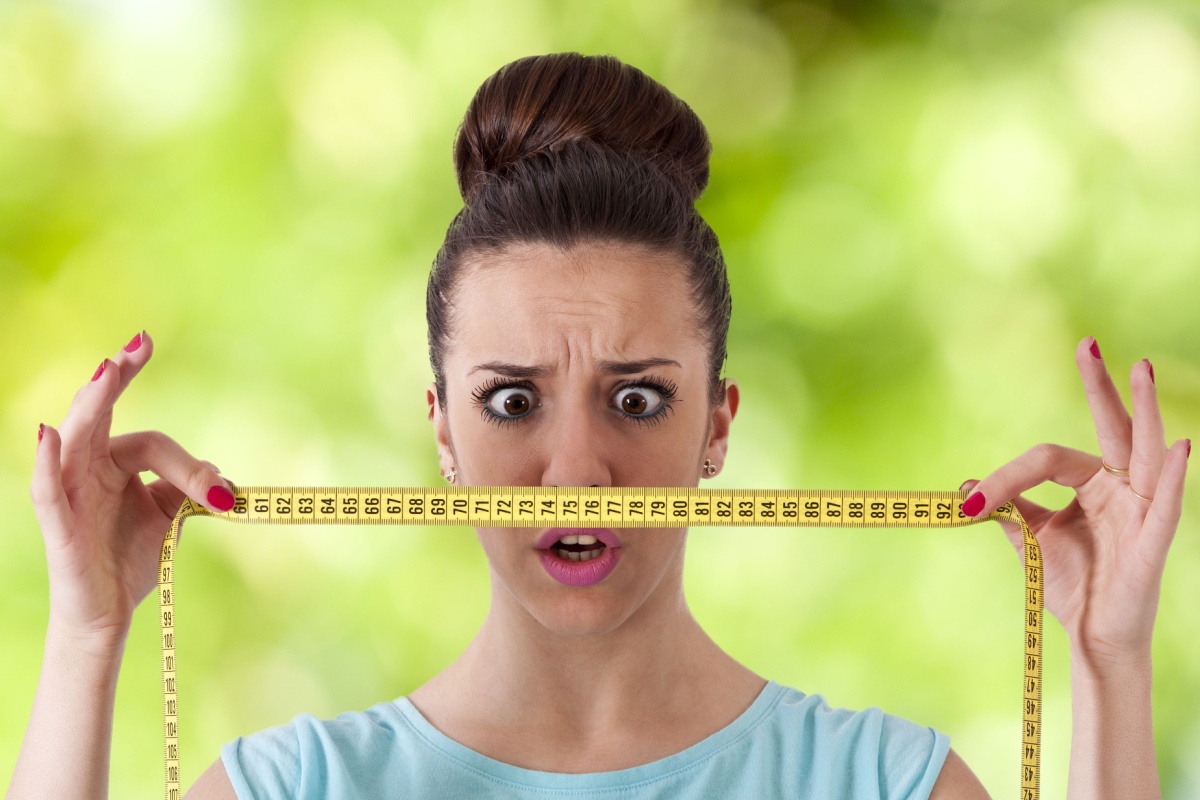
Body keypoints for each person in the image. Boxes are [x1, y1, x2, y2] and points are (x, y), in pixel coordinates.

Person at [9, 53, 1188, 800]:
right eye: (511, 401)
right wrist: (86, 632)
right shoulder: (296, 786)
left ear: (717, 424)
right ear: (442, 429)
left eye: (637, 398)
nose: (577, 468)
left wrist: (1108, 661)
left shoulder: (882, 781)